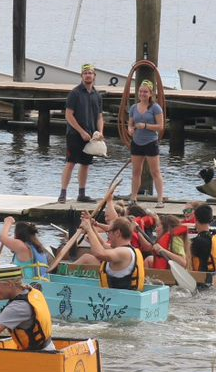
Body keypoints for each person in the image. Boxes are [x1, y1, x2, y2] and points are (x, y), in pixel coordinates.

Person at [59, 64, 105, 202]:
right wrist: (81, 131)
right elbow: (68, 115)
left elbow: (99, 116)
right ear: (81, 76)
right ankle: (63, 193)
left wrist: (100, 132)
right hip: (74, 134)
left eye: (90, 73)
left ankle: (82, 193)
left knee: (86, 164)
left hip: (91, 135)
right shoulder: (75, 93)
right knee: (71, 162)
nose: (88, 75)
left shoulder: (97, 95)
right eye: (85, 73)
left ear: (94, 76)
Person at [72, 215, 146, 291]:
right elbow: (103, 245)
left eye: (109, 232)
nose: (108, 236)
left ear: (117, 233)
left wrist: (88, 229)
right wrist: (91, 226)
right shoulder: (126, 250)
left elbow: (99, 253)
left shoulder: (124, 252)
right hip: (114, 298)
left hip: (122, 300)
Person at [127, 80, 166, 208]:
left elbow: (160, 126)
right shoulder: (134, 107)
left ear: (150, 94)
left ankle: (160, 199)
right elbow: (130, 123)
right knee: (136, 171)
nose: (143, 94)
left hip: (150, 142)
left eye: (145, 92)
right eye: (141, 91)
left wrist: (145, 126)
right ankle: (133, 197)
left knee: (155, 171)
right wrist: (130, 129)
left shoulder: (155, 108)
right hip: (137, 142)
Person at [0, 216, 52, 281]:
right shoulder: (37, 246)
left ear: (18, 234)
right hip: (40, 284)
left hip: (27, 285)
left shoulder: (21, 245)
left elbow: (2, 238)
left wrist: (8, 222)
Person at [188, 203, 216, 272]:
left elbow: (186, 259)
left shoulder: (198, 241)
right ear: (211, 219)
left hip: (203, 276)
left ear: (196, 219)